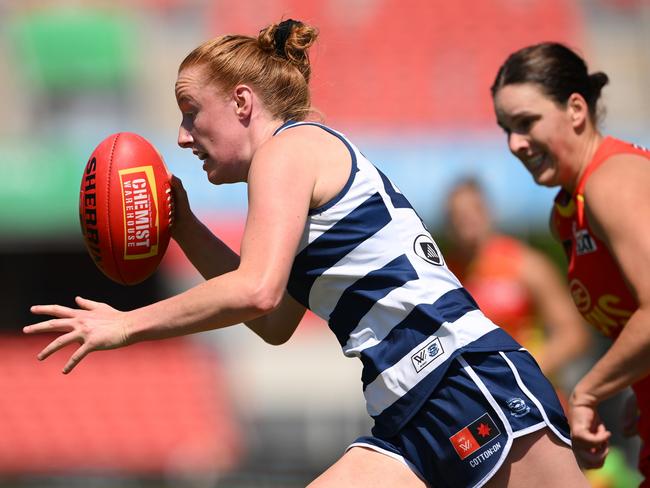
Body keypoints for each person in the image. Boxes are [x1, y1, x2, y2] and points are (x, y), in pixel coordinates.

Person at [24, 20, 588, 487]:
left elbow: (255, 290)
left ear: (242, 102)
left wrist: (127, 325)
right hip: (406, 410)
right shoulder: (286, 170)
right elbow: (274, 321)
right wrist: (185, 226)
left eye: (191, 111)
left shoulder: (287, 153)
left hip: (461, 380)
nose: (182, 136)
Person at [491, 42, 650, 484]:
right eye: (506, 129)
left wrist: (588, 392)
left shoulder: (610, 180)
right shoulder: (568, 211)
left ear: (576, 109)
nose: (514, 143)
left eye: (526, 123)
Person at [443, 178, 589, 389]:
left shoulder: (526, 265)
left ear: (488, 211)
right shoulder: (445, 275)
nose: (465, 220)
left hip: (531, 395)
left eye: (473, 210)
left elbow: (574, 334)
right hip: (475, 401)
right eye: (456, 215)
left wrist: (523, 370)